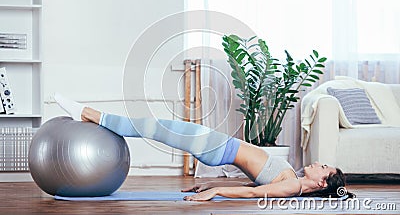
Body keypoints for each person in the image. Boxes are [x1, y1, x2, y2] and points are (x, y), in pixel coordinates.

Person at [54, 93, 353, 201]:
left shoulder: (294, 188)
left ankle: (88, 114)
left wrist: (216, 192)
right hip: (218, 145)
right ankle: (90, 114)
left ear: (322, 181)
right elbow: (257, 180)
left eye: (323, 168)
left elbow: (254, 193)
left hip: (216, 147)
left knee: (152, 126)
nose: (318, 164)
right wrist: (209, 182)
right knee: (154, 126)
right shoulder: (292, 181)